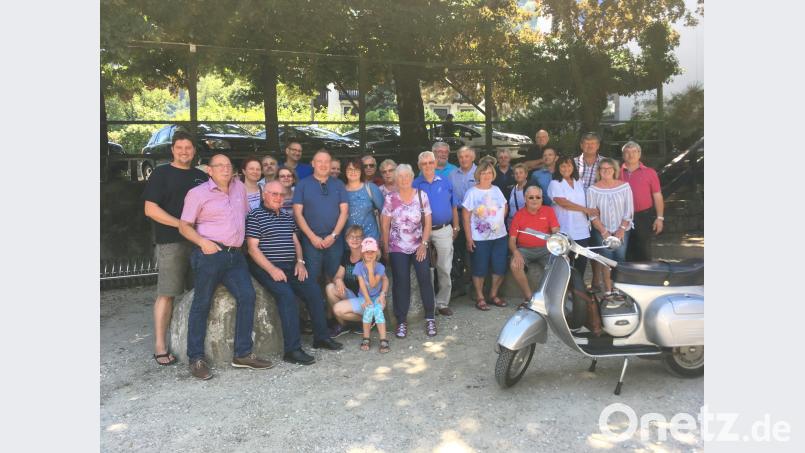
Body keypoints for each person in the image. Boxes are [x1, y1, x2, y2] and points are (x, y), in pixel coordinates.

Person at [179, 154, 273, 380]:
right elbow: (184, 226)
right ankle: (196, 358)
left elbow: (247, 217)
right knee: (202, 303)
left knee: (247, 296)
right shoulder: (197, 193)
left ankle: (242, 354)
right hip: (210, 254)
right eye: (219, 165)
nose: (225, 169)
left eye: (228, 165)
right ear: (209, 171)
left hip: (235, 256)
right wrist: (203, 243)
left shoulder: (239, 188)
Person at [246, 181, 343, 365]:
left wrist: (300, 262)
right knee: (287, 297)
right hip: (266, 266)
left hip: (291, 265)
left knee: (314, 290)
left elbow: (296, 242)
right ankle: (292, 350)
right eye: (274, 194)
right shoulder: (255, 216)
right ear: (264, 195)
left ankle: (321, 338)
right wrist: (272, 269)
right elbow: (252, 249)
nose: (278, 198)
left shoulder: (286, 216)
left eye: (281, 195)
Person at [142, 130, 209, 366]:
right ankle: (160, 345)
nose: (184, 152)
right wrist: (181, 225)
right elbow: (150, 209)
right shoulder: (161, 174)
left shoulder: (200, 177)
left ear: (194, 151)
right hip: (171, 242)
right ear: (172, 150)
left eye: (188, 148)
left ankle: (193, 344)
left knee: (198, 294)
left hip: (198, 242)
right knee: (167, 293)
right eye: (179, 148)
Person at [381, 164, 438, 338]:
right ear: (397, 179)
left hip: (418, 245)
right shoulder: (391, 198)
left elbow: (428, 223)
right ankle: (401, 321)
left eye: (407, 176)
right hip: (397, 246)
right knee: (401, 282)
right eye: (401, 176)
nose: (404, 179)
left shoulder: (421, 195)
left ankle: (430, 318)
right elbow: (385, 225)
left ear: (412, 177)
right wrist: (385, 248)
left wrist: (424, 244)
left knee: (424, 278)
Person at [413, 151, 460, 316]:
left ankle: (442, 303)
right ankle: (429, 303)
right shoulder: (415, 184)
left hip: (443, 229)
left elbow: (454, 205)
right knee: (425, 268)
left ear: (435, 164)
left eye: (430, 163)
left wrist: (456, 226)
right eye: (423, 164)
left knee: (444, 267)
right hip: (420, 232)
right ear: (419, 166)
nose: (427, 166)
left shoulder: (445, 181)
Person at [292, 149, 349, 284]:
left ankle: (333, 305)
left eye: (327, 162)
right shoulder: (302, 184)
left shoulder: (339, 184)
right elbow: (297, 213)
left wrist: (334, 235)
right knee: (311, 278)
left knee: (335, 277)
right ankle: (314, 305)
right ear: (313, 163)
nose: (323, 165)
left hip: (334, 240)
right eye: (319, 161)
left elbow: (344, 212)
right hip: (311, 240)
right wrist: (312, 237)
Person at [462, 161, 509, 311]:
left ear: (493, 175)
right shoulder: (472, 192)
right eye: (483, 173)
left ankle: (493, 295)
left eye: (489, 173)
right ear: (478, 175)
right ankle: (480, 297)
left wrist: (498, 221)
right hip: (479, 238)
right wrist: (469, 238)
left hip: (499, 236)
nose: (486, 175)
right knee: (479, 268)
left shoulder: (496, 190)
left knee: (499, 267)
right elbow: (465, 216)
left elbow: (505, 205)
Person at [587, 158, 634, 301]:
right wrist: (604, 232)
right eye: (603, 169)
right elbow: (593, 215)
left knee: (620, 260)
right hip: (602, 230)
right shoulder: (592, 190)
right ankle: (608, 292)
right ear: (599, 171)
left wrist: (621, 229)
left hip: (622, 230)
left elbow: (629, 210)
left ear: (615, 170)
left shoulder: (625, 186)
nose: (606, 171)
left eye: (609, 168)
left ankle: (619, 290)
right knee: (606, 261)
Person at [548, 156, 598, 278]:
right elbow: (562, 202)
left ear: (573, 167)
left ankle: (579, 290)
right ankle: (566, 290)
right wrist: (585, 210)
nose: (566, 168)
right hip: (564, 229)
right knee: (565, 263)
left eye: (569, 165)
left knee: (581, 262)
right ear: (558, 168)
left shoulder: (579, 182)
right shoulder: (555, 183)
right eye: (563, 166)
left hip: (581, 229)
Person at [508, 186, 560, 303]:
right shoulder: (518, 215)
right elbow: (512, 240)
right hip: (525, 250)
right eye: (531, 197)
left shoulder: (548, 211)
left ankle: (551, 297)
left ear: (542, 199)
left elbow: (556, 230)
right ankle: (529, 297)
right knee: (515, 265)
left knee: (559, 265)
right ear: (525, 199)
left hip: (546, 248)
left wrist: (557, 242)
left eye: (538, 197)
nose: (534, 200)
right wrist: (516, 253)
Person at [620, 141, 664, 262]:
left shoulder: (650, 172)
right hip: (621, 216)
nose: (631, 155)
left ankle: (644, 277)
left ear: (640, 154)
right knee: (624, 249)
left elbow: (657, 195)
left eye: (634, 151)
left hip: (643, 216)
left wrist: (660, 218)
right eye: (627, 152)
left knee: (643, 250)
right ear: (623, 155)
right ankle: (627, 278)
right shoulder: (616, 172)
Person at [327, 225, 366, 337]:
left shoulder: (367, 255)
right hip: (352, 296)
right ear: (346, 239)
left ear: (363, 239)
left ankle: (367, 321)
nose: (355, 240)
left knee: (337, 309)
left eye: (358, 237)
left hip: (365, 298)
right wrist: (339, 280)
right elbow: (337, 276)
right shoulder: (346, 255)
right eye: (351, 237)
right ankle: (343, 325)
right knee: (330, 288)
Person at [448, 146, 477, 294]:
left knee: (474, 249)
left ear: (473, 157)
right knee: (457, 249)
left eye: (466, 156)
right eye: (461, 157)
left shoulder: (479, 173)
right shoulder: (452, 174)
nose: (463, 159)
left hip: (476, 217)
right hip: (457, 215)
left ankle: (474, 285)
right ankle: (458, 284)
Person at [353, 238, 390, 353]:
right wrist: (367, 299)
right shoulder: (358, 266)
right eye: (366, 252)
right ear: (362, 253)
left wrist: (370, 269)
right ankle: (366, 338)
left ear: (377, 252)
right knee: (368, 311)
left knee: (378, 311)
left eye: (372, 251)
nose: (369, 254)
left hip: (377, 296)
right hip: (364, 296)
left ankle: (383, 340)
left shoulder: (379, 267)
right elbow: (362, 285)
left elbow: (373, 285)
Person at [344, 157, 385, 242]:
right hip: (348, 241)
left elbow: (384, 213)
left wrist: (384, 236)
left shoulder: (371, 188)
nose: (353, 172)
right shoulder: (340, 190)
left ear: (361, 171)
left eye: (357, 169)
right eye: (350, 169)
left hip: (370, 239)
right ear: (345, 171)